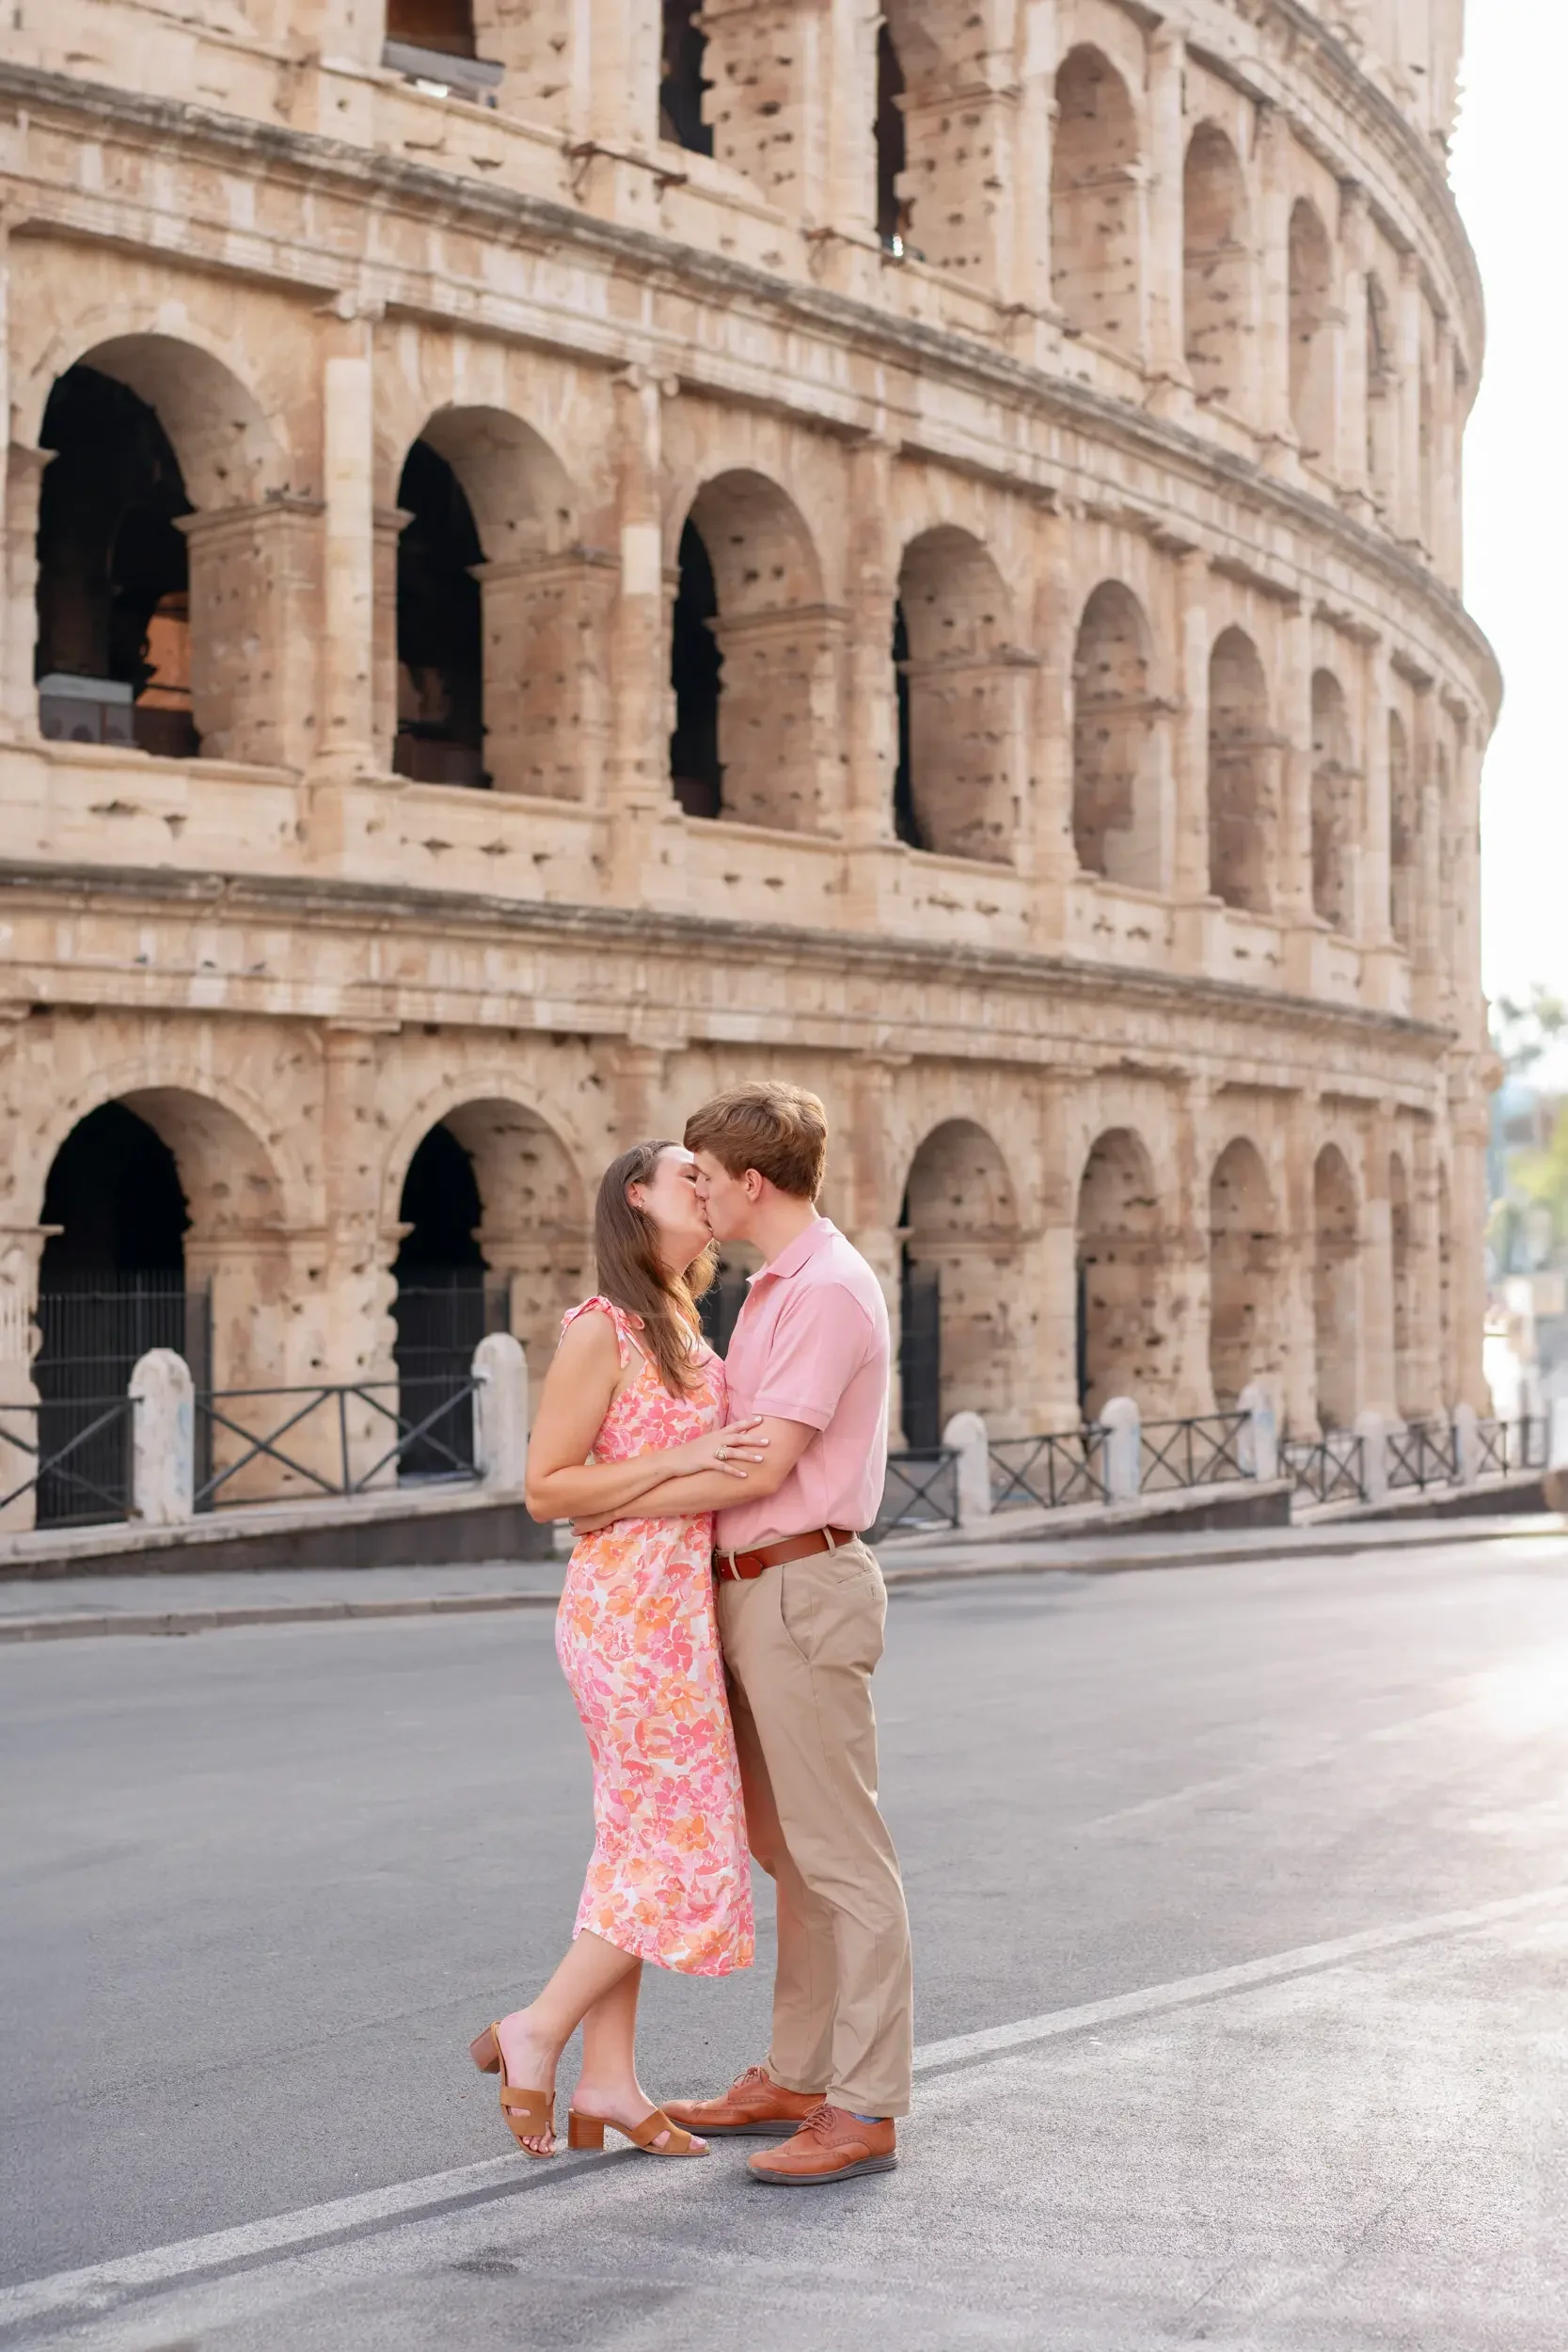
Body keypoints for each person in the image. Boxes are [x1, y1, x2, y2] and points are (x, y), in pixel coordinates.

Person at [579, 1082, 913, 2185]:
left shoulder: (823, 1291)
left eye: (707, 1179)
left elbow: (761, 1463)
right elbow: (728, 1450)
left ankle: (862, 2105)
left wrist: (601, 1500)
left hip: (800, 1584)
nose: (698, 1194)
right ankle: (796, 2073)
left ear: (750, 1183)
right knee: (788, 1854)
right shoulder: (773, 1286)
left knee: (842, 1859)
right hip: (748, 1585)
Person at [469, 1140, 764, 2161]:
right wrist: (688, 1463)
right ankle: (536, 2030)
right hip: (624, 1617)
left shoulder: (681, 1322)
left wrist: (699, 1480)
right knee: (677, 1844)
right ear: (633, 1197)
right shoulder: (604, 1328)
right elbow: (547, 1490)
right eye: (688, 1173)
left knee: (635, 1844)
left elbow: (701, 1488)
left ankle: (608, 2080)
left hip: (671, 1606)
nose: (707, 1185)